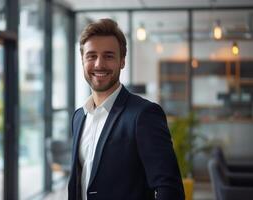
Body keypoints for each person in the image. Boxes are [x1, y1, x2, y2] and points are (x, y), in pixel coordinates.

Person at [68, 18, 185, 200]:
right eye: (91, 56)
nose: (99, 64)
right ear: (82, 60)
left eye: (108, 56)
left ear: (122, 61)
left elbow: (169, 188)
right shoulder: (78, 117)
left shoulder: (144, 115)